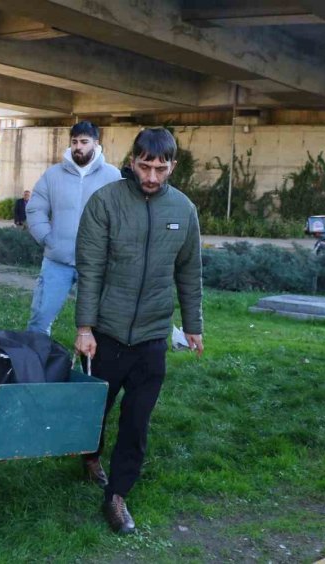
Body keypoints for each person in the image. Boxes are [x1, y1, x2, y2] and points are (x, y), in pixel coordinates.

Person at [74, 128, 203, 534]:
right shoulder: (105, 202)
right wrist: (84, 327)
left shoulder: (183, 210)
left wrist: (194, 325)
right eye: (144, 166)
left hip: (151, 336)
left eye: (160, 168)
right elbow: (90, 269)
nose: (151, 176)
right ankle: (89, 456)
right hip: (105, 333)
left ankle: (117, 494)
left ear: (172, 167)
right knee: (95, 410)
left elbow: (189, 270)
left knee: (137, 420)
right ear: (131, 162)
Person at [26, 121, 121, 335]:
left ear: (96, 144)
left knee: (99, 324)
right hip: (57, 261)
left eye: (84, 142)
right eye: (75, 142)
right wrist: (47, 238)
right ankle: (35, 364)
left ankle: (91, 368)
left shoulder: (112, 177)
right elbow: (35, 208)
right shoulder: (53, 175)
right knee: (39, 320)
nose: (78, 147)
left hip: (96, 264)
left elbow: (122, 217)